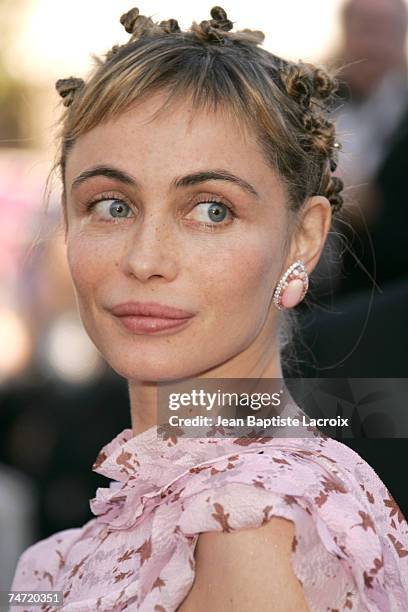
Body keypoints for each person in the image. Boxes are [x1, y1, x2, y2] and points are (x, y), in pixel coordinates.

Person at [10, 6, 408, 611]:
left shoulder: (247, 524)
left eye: (211, 209)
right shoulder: (78, 547)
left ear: (303, 239)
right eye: (112, 205)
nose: (145, 259)